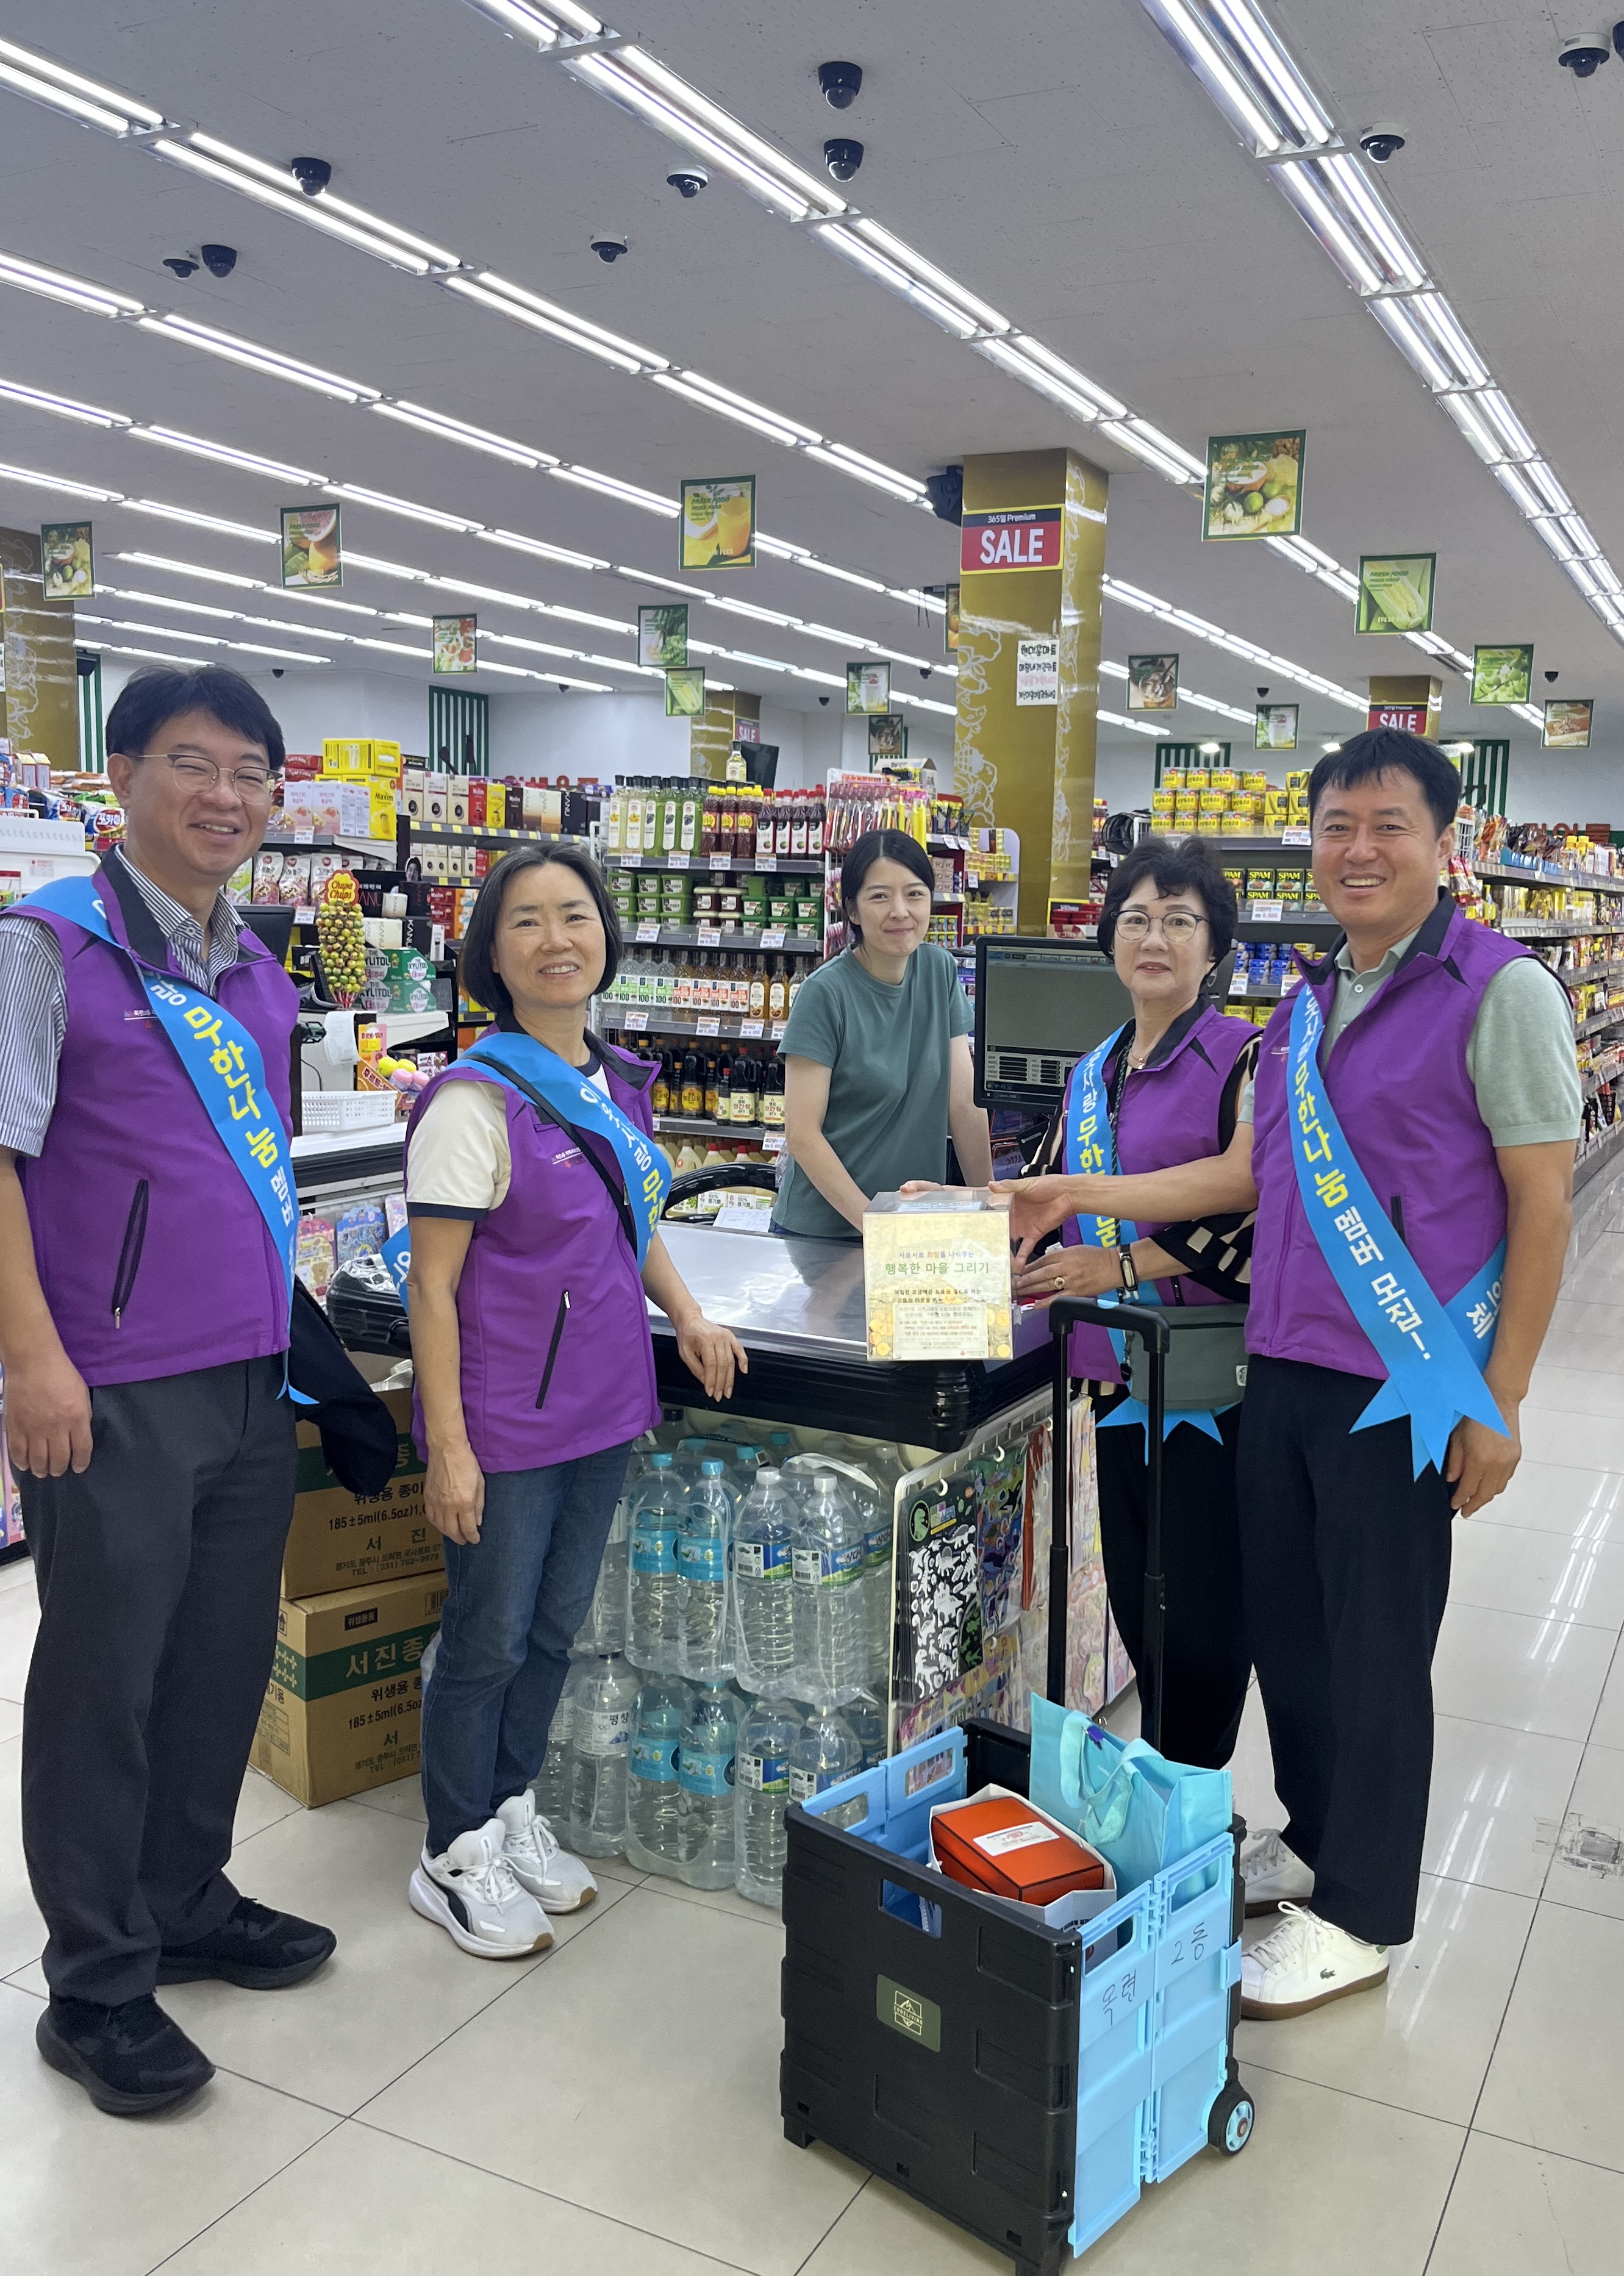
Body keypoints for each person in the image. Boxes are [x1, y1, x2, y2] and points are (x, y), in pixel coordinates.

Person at [0, 665, 334, 2118]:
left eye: (250, 772)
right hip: (110, 1387)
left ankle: (185, 1899)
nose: (225, 794)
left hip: (249, 1383)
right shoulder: (44, 948)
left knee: (214, 1660)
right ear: (120, 775)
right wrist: (31, 1360)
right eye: (192, 764)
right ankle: (95, 1986)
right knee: (101, 1682)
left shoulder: (257, 967)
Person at [1234, 730, 1579, 2019]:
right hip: (1284, 1368)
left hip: (1407, 1389)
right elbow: (1258, 1179)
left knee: (1377, 1653)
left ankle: (1365, 1917)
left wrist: (1504, 1396)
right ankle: (1317, 1839)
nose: (1358, 850)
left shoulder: (1504, 992)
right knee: (1296, 1639)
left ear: (1448, 845)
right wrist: (1079, 1195)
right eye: (1336, 826)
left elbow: (1543, 1206)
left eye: (1388, 825)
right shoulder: (1307, 999)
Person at [404, 843, 745, 1959]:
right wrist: (447, 1446)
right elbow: (435, 1286)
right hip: (505, 1426)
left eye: (574, 915)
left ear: (605, 933)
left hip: (604, 1409)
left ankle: (508, 1806)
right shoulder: (474, 1099)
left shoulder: (609, 1081)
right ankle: (451, 1848)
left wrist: (686, 1314)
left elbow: (627, 1228)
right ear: (490, 957)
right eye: (526, 923)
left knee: (552, 1628)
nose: (557, 939)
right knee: (486, 1635)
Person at [1007, 839, 1259, 1766]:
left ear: (1214, 949)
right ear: (1110, 937)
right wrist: (953, 1226)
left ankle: (1194, 1787)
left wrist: (1115, 1270)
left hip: (1204, 1380)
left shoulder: (1246, 1058)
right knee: (1133, 1596)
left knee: (1201, 1603)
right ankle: (1158, 1773)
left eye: (1181, 921)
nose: (1156, 937)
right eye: (1138, 918)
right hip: (1110, 1382)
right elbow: (1041, 1202)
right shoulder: (1093, 1071)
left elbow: (1254, 1218)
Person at [774, 828, 992, 1238]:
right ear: (852, 910)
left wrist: (990, 1210)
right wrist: (877, 1228)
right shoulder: (824, 994)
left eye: (914, 893)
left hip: (913, 1226)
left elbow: (963, 1104)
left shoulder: (939, 971)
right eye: (879, 896)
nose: (900, 911)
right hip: (824, 1234)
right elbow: (802, 1135)